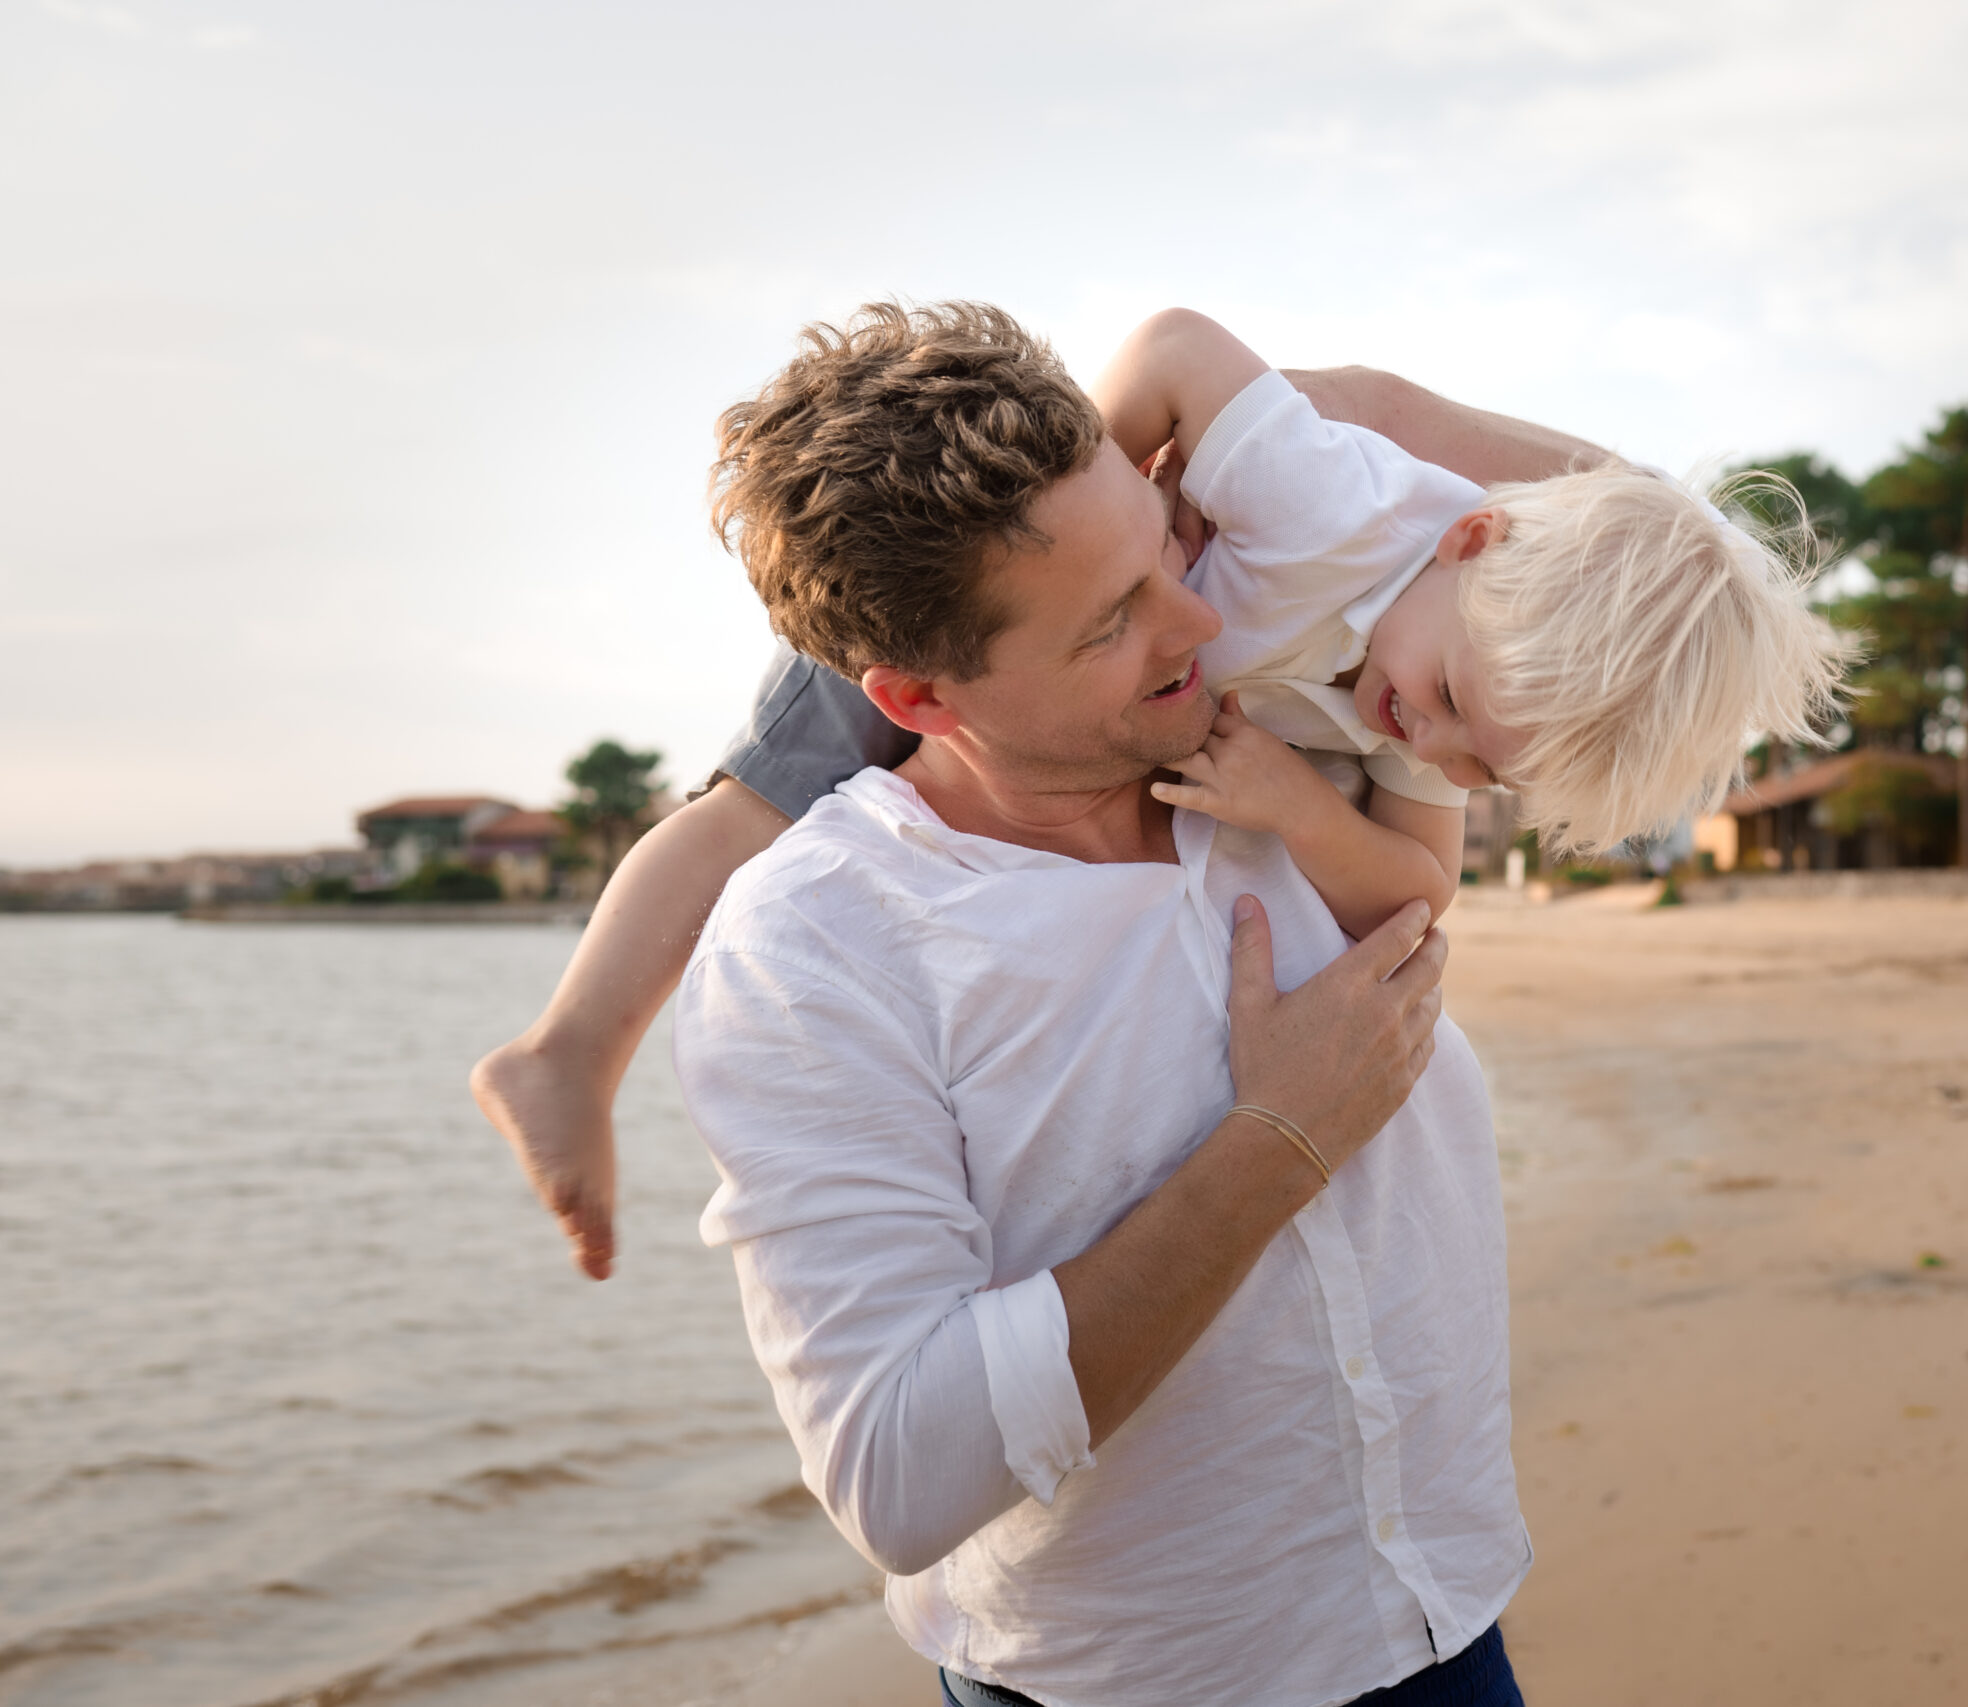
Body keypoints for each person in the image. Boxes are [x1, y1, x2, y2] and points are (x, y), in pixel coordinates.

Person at [475, 307, 1848, 1281]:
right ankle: (571, 1050)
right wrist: (1103, 506)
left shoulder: (1444, 688)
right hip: (991, 594)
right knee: (741, 818)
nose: (1433, 747)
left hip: (1104, 662)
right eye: (1454, 715)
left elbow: (1418, 894)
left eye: (1481, 768)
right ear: (1470, 536)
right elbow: (1181, 349)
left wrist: (1302, 809)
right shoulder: (1348, 505)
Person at [672, 300, 1544, 1705]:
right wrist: (1279, 1140)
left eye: (1162, 545)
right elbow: (895, 1471)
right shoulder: (820, 945)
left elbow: (1658, 546)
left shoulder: (1299, 756)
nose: (1202, 615)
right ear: (918, 694)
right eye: (1112, 621)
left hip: (1445, 1611)